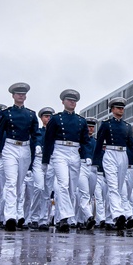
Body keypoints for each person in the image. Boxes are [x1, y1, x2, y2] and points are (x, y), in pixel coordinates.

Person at [0, 82, 40, 231]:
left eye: (23, 93)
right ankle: (10, 217)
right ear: (13, 96)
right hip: (10, 148)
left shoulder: (31, 114)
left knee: (20, 184)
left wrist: (37, 144)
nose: (21, 96)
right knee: (11, 182)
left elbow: (35, 133)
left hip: (25, 148)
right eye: (18, 93)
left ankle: (19, 215)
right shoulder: (6, 113)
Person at [42, 89, 91, 232]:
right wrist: (45, 160)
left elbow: (85, 141)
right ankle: (64, 218)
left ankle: (64, 217)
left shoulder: (81, 121)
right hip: (60, 151)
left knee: (71, 187)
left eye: (74, 100)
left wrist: (87, 155)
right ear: (63, 102)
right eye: (69, 100)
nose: (72, 102)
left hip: (74, 152)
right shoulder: (56, 119)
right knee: (62, 184)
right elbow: (48, 140)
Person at [93, 96, 133, 230]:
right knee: (113, 187)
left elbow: (131, 143)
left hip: (123, 155)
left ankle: (109, 219)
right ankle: (118, 215)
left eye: (122, 108)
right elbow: (98, 144)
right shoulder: (106, 124)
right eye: (118, 108)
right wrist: (95, 162)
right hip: (110, 154)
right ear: (112, 109)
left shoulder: (127, 126)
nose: (121, 110)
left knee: (118, 189)